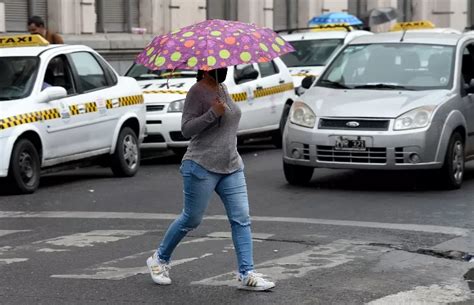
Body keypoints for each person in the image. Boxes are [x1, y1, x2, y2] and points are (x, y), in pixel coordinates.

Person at [146, 67, 276, 291]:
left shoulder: (223, 88)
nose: (224, 69)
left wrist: (221, 111)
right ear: (206, 69)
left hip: (231, 165)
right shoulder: (196, 92)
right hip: (201, 165)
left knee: (241, 218)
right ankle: (159, 259)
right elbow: (186, 129)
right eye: (219, 66)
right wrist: (212, 113)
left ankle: (247, 274)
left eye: (226, 66)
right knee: (192, 219)